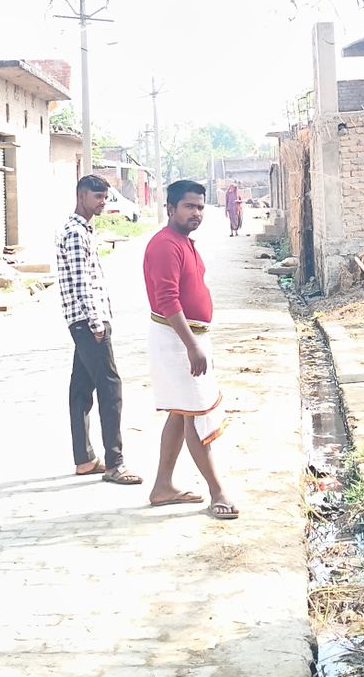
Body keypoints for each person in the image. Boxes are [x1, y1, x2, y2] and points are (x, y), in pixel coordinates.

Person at [143, 180, 238, 519]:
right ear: (170, 208)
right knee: (196, 415)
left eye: (200, 207)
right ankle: (217, 491)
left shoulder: (183, 242)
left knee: (181, 412)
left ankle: (162, 487)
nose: (196, 212)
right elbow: (168, 300)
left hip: (188, 339)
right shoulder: (165, 245)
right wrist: (192, 346)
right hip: (177, 341)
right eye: (188, 206)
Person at [56, 174, 142, 485]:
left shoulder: (81, 230)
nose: (103, 202)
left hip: (83, 322)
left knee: (81, 390)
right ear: (81, 196)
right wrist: (96, 323)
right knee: (110, 388)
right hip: (88, 322)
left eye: (105, 197)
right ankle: (115, 463)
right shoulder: (75, 233)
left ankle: (85, 459)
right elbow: (82, 285)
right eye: (97, 197)